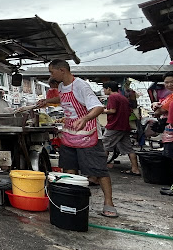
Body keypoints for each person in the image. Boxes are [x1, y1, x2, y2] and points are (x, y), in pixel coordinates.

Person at [37, 60, 117, 217]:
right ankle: (71, 201)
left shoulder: (81, 85)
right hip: (69, 134)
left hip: (88, 135)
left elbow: (98, 107)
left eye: (52, 72)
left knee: (98, 170)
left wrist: (85, 119)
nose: (51, 75)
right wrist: (46, 102)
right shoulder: (61, 86)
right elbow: (63, 99)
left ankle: (109, 202)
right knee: (69, 169)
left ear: (62, 70)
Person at [101, 82, 140, 175]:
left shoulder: (112, 97)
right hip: (124, 126)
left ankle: (100, 168)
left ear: (109, 89)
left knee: (104, 146)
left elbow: (112, 110)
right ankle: (135, 169)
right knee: (129, 149)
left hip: (114, 126)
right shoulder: (123, 98)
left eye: (104, 89)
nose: (103, 91)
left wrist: (101, 110)